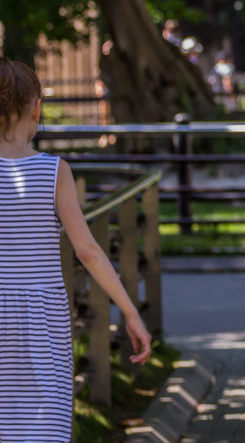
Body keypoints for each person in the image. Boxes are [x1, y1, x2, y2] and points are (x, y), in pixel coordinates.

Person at [0, 59, 152, 442]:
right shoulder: (53, 171)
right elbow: (87, 251)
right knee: (43, 422)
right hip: (40, 317)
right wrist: (130, 312)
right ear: (36, 108)